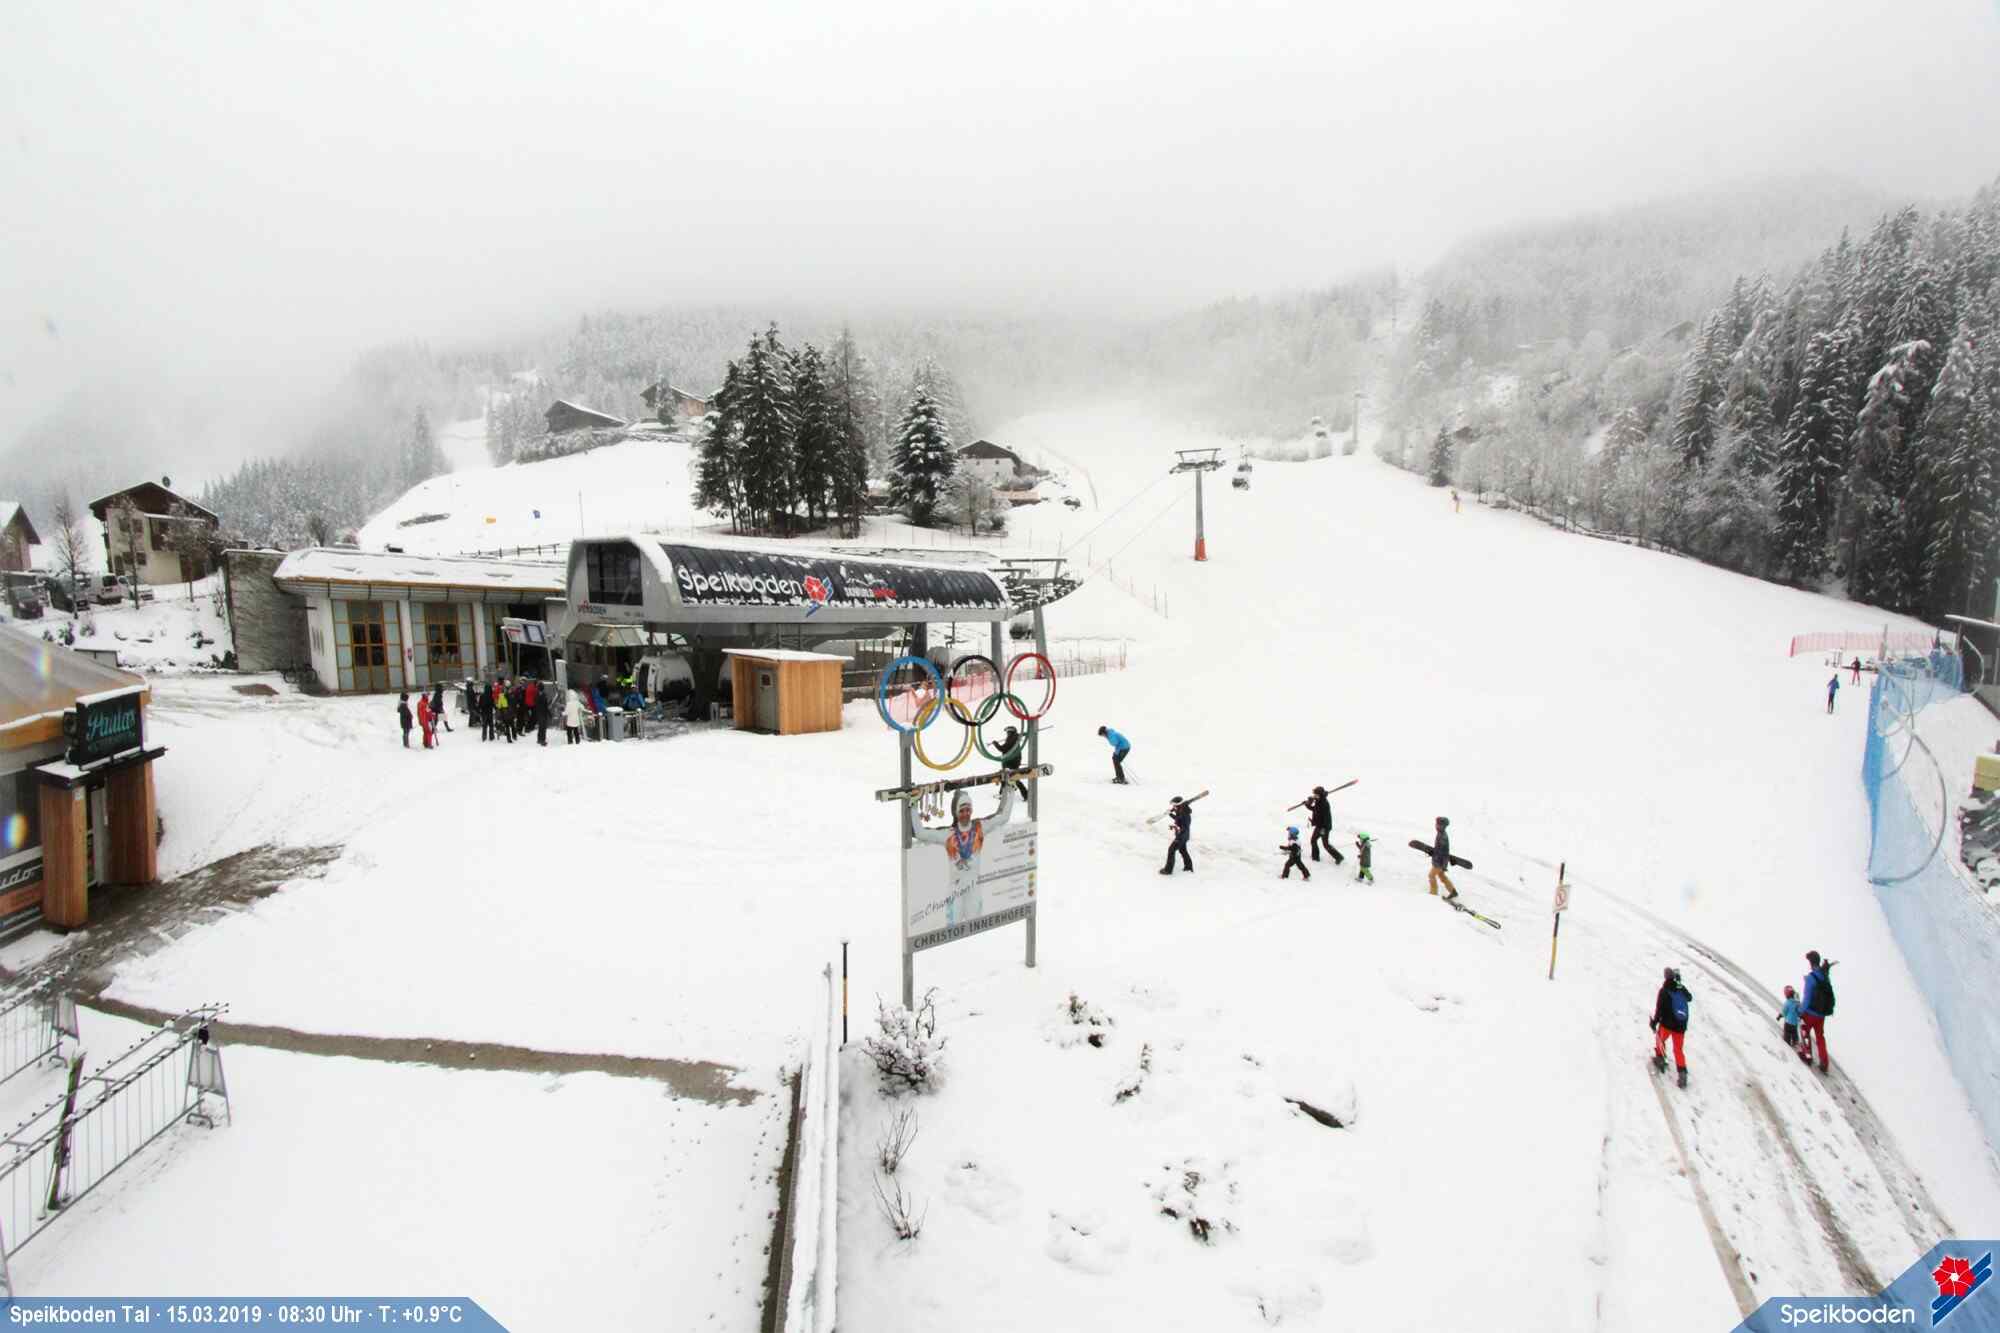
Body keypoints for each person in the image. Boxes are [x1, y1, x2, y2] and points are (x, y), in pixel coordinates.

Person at [909, 786, 1016, 926]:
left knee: (975, 928)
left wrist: (1011, 789)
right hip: (955, 891)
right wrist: (913, 805)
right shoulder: (948, 834)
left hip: (974, 889)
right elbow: (920, 833)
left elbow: (1003, 817)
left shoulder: (980, 828)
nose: (965, 814)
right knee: (952, 929)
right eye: (961, 810)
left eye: (968, 810)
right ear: (955, 812)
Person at [1651, 965, 1693, 1088]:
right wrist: (1680, 984)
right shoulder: (1681, 988)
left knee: (1660, 1039)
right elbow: (1689, 998)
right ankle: (1682, 1074)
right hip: (1681, 1025)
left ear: (1665, 977)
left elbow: (1659, 1009)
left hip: (1667, 1024)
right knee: (1678, 1049)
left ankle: (1660, 1059)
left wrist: (1654, 1022)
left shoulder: (1664, 990)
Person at [1799, 950, 1836, 1072]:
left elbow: (1807, 999)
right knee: (1820, 1037)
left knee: (1804, 1030)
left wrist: (1800, 1011)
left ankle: (1807, 1055)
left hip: (1810, 1013)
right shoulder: (1824, 976)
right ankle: (1824, 1062)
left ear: (1810, 962)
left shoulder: (1811, 978)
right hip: (1821, 1014)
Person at [1304, 785, 1343, 864]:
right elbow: (1314, 809)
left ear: (1320, 794)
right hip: (1319, 826)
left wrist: (1323, 829)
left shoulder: (1324, 803)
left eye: (1316, 794)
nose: (1314, 796)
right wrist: (1308, 803)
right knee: (1313, 840)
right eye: (1314, 794)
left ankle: (1339, 857)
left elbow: (1324, 817)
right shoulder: (1319, 800)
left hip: (1324, 827)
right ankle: (1315, 857)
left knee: (1325, 844)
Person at [1160, 795, 1193, 876]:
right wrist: (1170, 814)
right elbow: (1178, 819)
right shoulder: (1181, 810)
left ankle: (1168, 870)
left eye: (1174, 805)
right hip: (1184, 835)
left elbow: (1184, 826)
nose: (1173, 806)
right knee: (1183, 851)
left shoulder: (1184, 813)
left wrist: (1175, 827)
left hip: (1182, 836)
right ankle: (1188, 867)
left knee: (1171, 850)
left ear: (1178, 804)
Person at [1427, 815, 1459, 900]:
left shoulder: (1442, 836)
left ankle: (1433, 893)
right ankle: (1453, 891)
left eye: (1438, 824)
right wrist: (1433, 852)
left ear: (1443, 826)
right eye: (1436, 824)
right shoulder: (1440, 834)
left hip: (1439, 862)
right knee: (1442, 876)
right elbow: (1439, 850)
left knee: (1431, 876)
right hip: (1438, 861)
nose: (1436, 825)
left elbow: (1444, 853)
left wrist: (1444, 865)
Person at [997, 724, 1030, 800]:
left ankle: (1004, 794)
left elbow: (1003, 748)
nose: (1007, 734)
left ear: (1011, 732)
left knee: (1008, 777)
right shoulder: (1014, 738)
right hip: (1012, 761)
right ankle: (1004, 793)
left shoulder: (1012, 739)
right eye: (1007, 732)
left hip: (1010, 762)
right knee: (1009, 777)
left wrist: (995, 743)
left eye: (1008, 732)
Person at [1777, 985, 1802, 1050]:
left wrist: (1779, 1016)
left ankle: (1787, 1041)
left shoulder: (1788, 1003)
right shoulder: (1797, 1003)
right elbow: (1799, 1011)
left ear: (1787, 995)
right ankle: (1795, 1042)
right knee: (1794, 1033)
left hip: (1788, 1023)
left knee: (1787, 1033)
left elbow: (1784, 1012)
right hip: (1795, 1023)